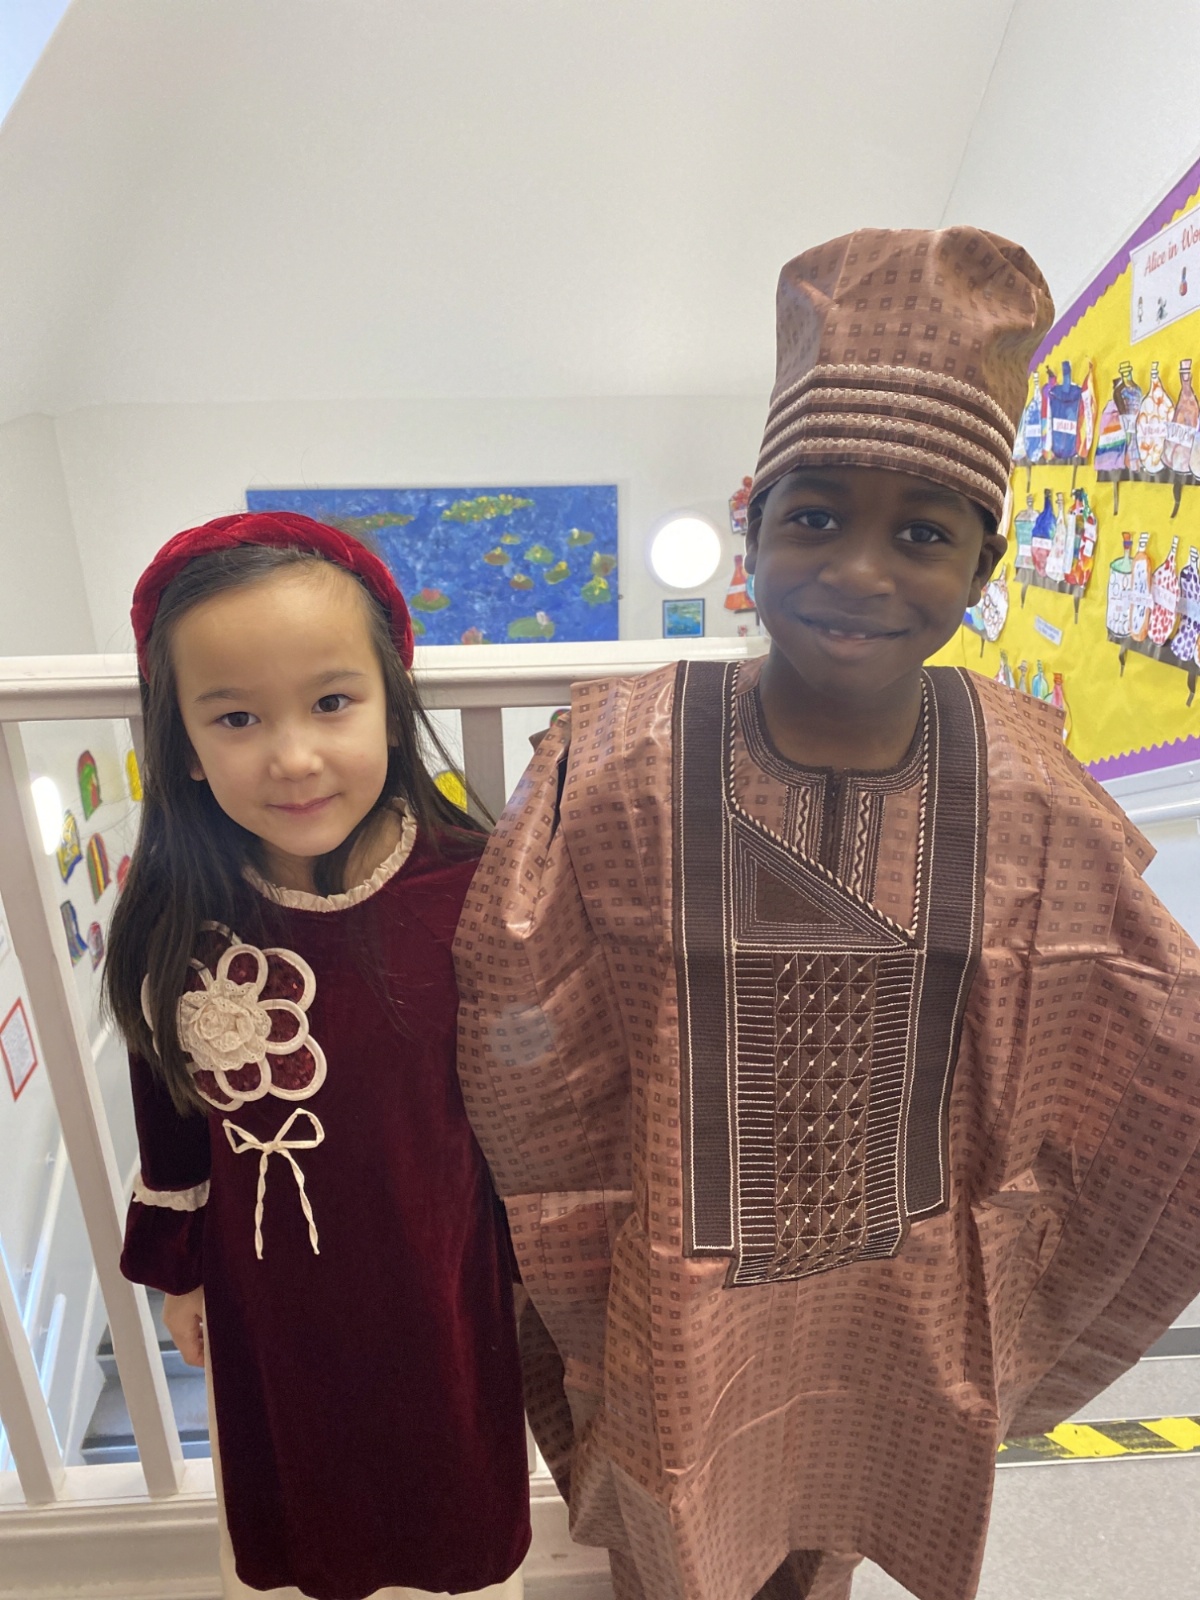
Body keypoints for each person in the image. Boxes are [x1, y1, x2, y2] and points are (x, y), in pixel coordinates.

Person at [452, 228, 1200, 1600]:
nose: (861, 568)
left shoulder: (1025, 779)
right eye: (815, 515)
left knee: (832, 1531)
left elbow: (1148, 1023)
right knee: (682, 1540)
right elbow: (522, 1031)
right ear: (751, 525)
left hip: (899, 1299)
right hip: (679, 1292)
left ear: (984, 565)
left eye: (922, 531)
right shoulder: (615, 759)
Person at [105, 513, 530, 1600]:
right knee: (311, 1508)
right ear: (182, 741)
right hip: (270, 1294)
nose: (292, 757)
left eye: (332, 703)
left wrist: (540, 1263)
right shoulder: (174, 915)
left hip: (441, 1280)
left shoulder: (477, 886)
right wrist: (178, 1271)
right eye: (237, 717)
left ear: (392, 698)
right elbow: (171, 1109)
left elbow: (532, 1101)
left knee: (448, 1505)